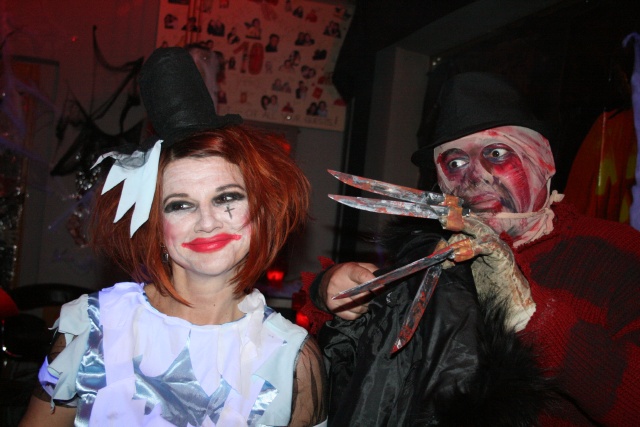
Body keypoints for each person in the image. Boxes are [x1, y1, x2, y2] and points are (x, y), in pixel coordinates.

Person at [304, 71, 640, 425]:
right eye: (455, 163)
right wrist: (330, 293)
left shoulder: (618, 254)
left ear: (543, 159)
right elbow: (371, 379)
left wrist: (534, 316)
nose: (473, 176)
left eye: (496, 153)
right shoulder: (433, 253)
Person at [19, 47, 327, 426]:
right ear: (155, 226)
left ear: (259, 211)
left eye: (226, 198)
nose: (207, 222)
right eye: (180, 205)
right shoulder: (92, 329)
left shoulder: (293, 360)